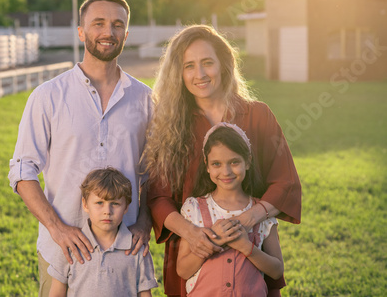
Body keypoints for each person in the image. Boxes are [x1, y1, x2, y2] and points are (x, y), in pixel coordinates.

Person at [8, 0, 153, 297]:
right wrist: (57, 229)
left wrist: (144, 222)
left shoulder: (146, 100)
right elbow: (22, 171)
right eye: (98, 23)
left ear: (126, 34)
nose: (108, 32)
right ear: (81, 31)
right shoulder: (48, 96)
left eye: (117, 25)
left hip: (124, 252)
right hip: (60, 251)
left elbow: (155, 173)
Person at [143, 24, 301, 297]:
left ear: (224, 65)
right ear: (178, 74)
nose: (200, 74)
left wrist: (246, 221)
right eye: (189, 66)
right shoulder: (170, 126)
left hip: (251, 256)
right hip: (193, 256)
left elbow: (284, 182)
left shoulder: (257, 115)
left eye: (207, 63)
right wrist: (193, 234)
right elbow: (158, 197)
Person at [177, 123, 284, 296]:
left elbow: (277, 270)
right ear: (207, 165)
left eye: (234, 162)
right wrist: (214, 240)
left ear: (247, 162)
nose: (226, 171)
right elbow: (183, 270)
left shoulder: (260, 213)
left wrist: (247, 247)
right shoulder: (194, 209)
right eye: (217, 164)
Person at [48, 168, 158, 297]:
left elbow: (145, 294)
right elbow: (56, 292)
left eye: (115, 203)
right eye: (99, 203)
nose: (107, 211)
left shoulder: (137, 249)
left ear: (126, 207)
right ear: (85, 204)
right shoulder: (71, 247)